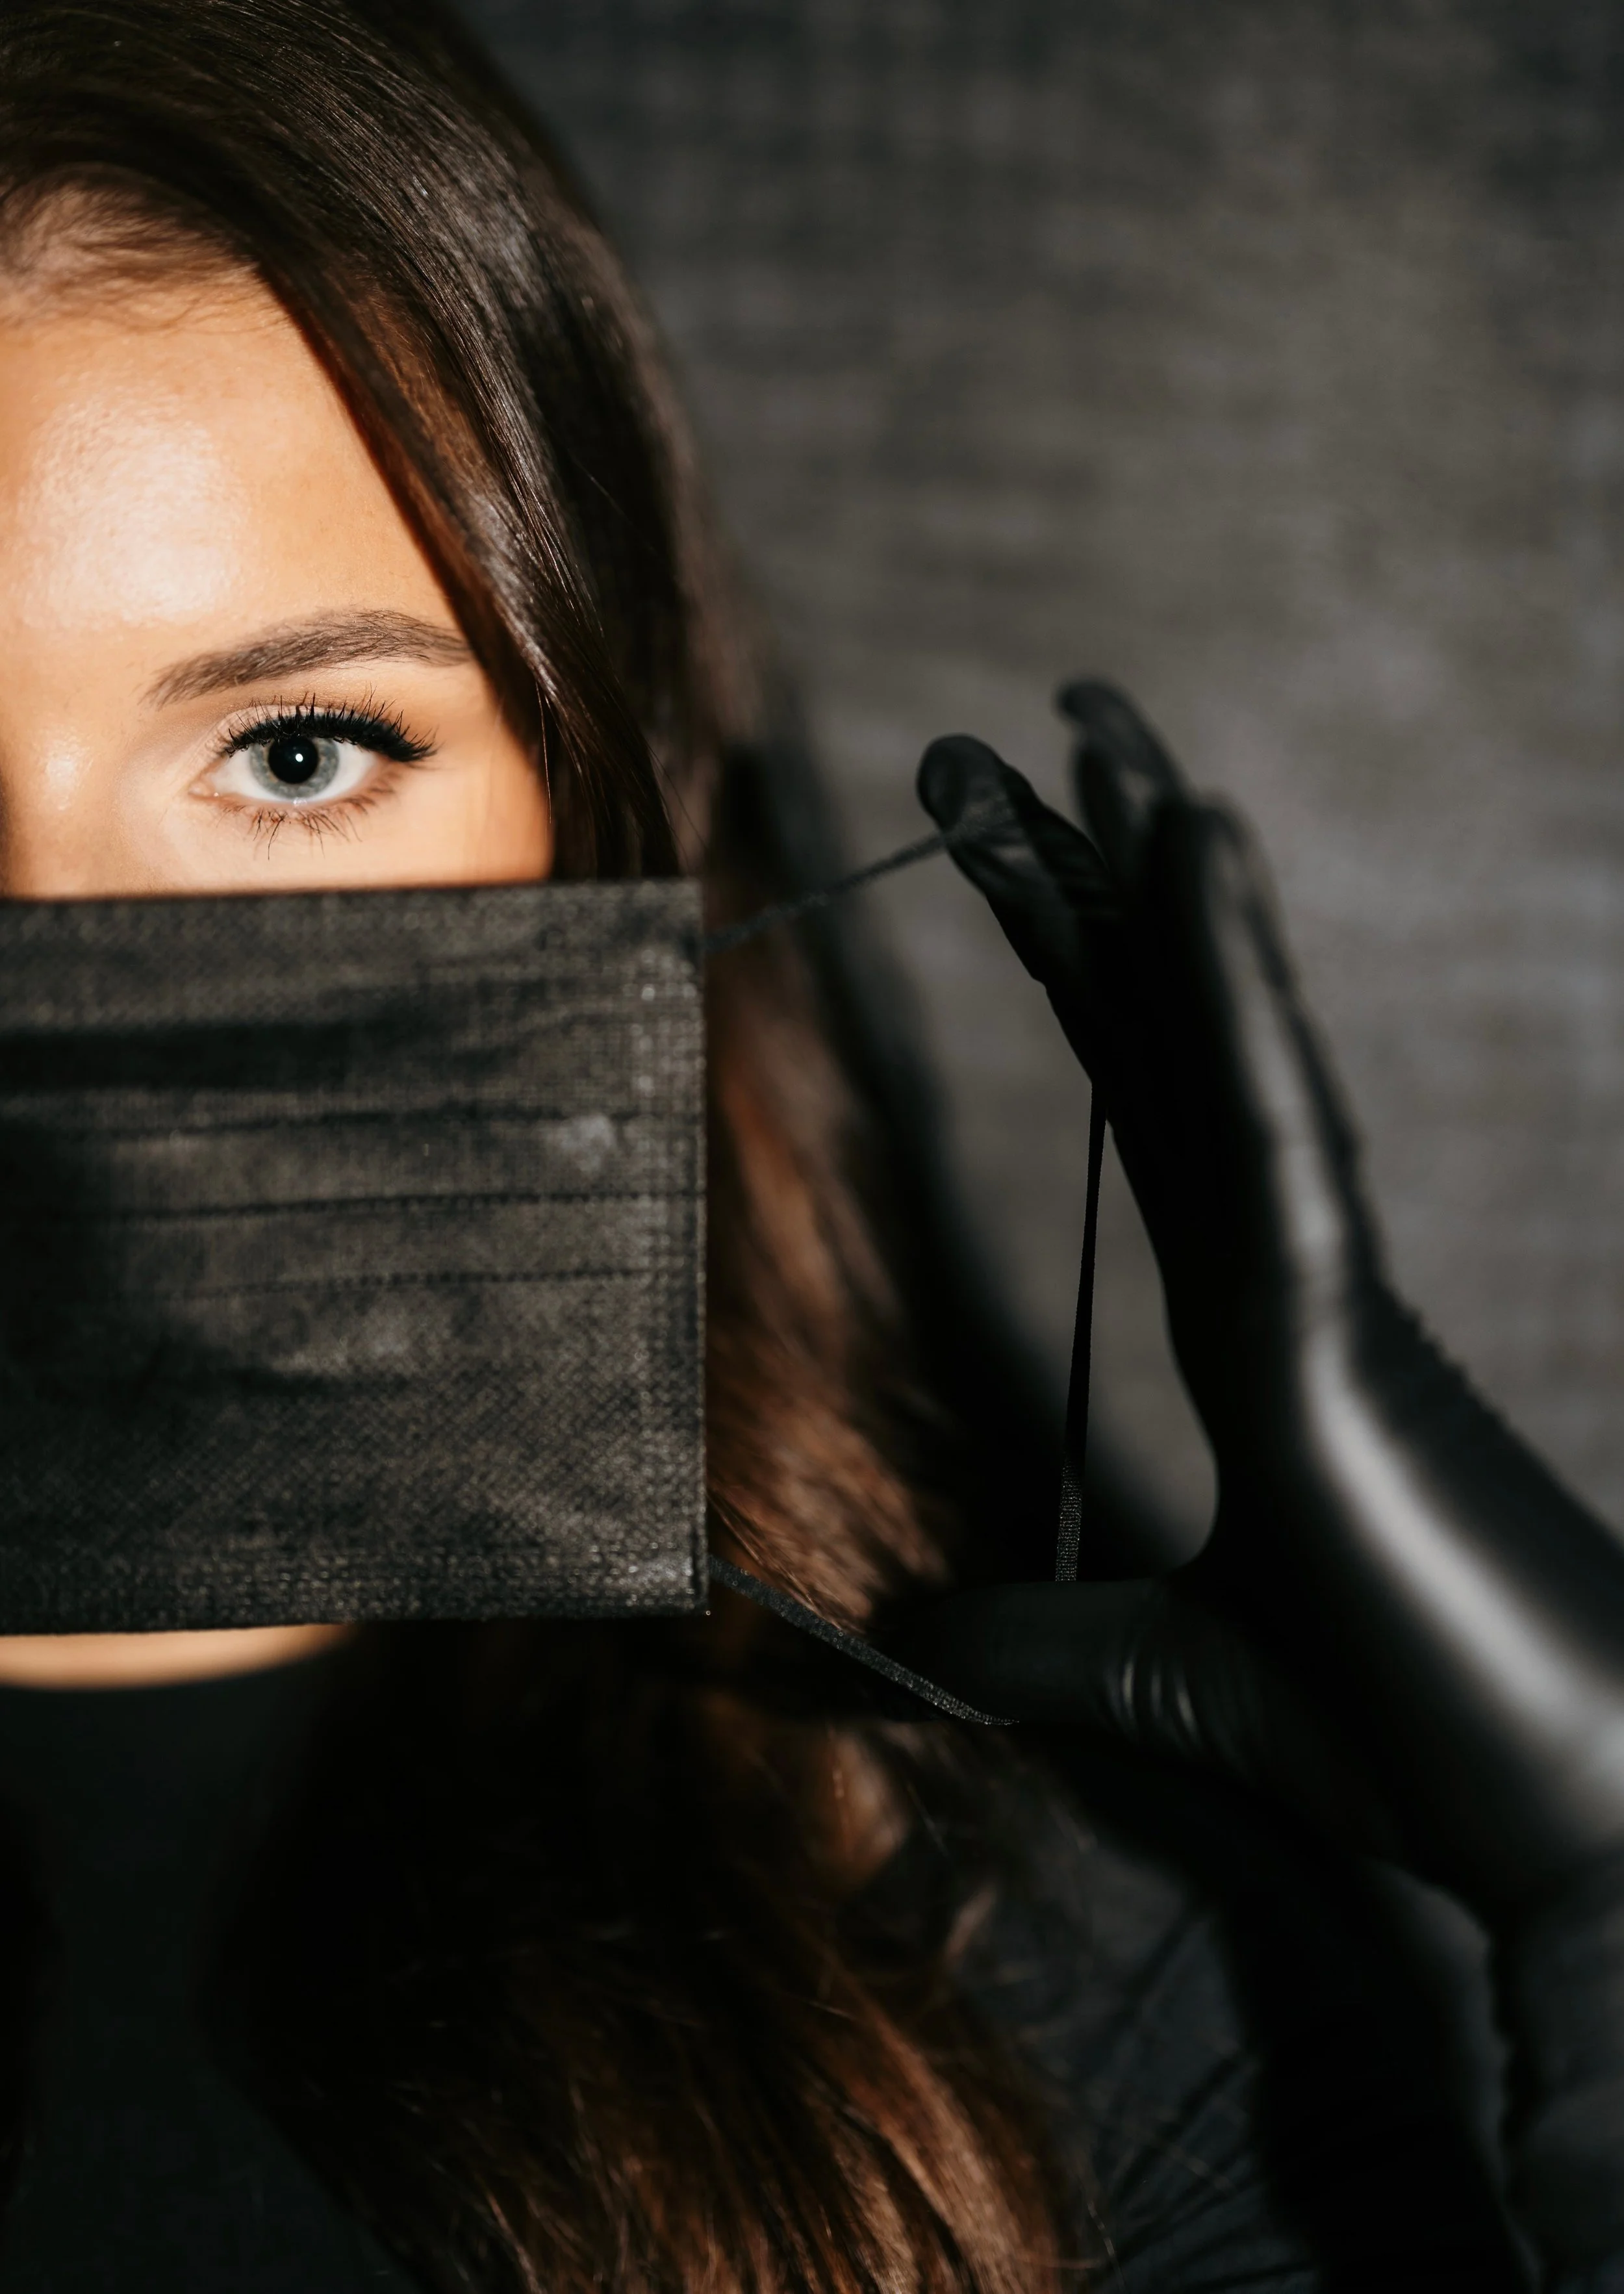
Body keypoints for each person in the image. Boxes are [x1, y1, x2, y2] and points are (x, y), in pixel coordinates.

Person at [0, 3, 1617, 2289]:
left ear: (604, 807)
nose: (55, 945)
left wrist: (1611, 1878)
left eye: (293, 753)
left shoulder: (1029, 1976)